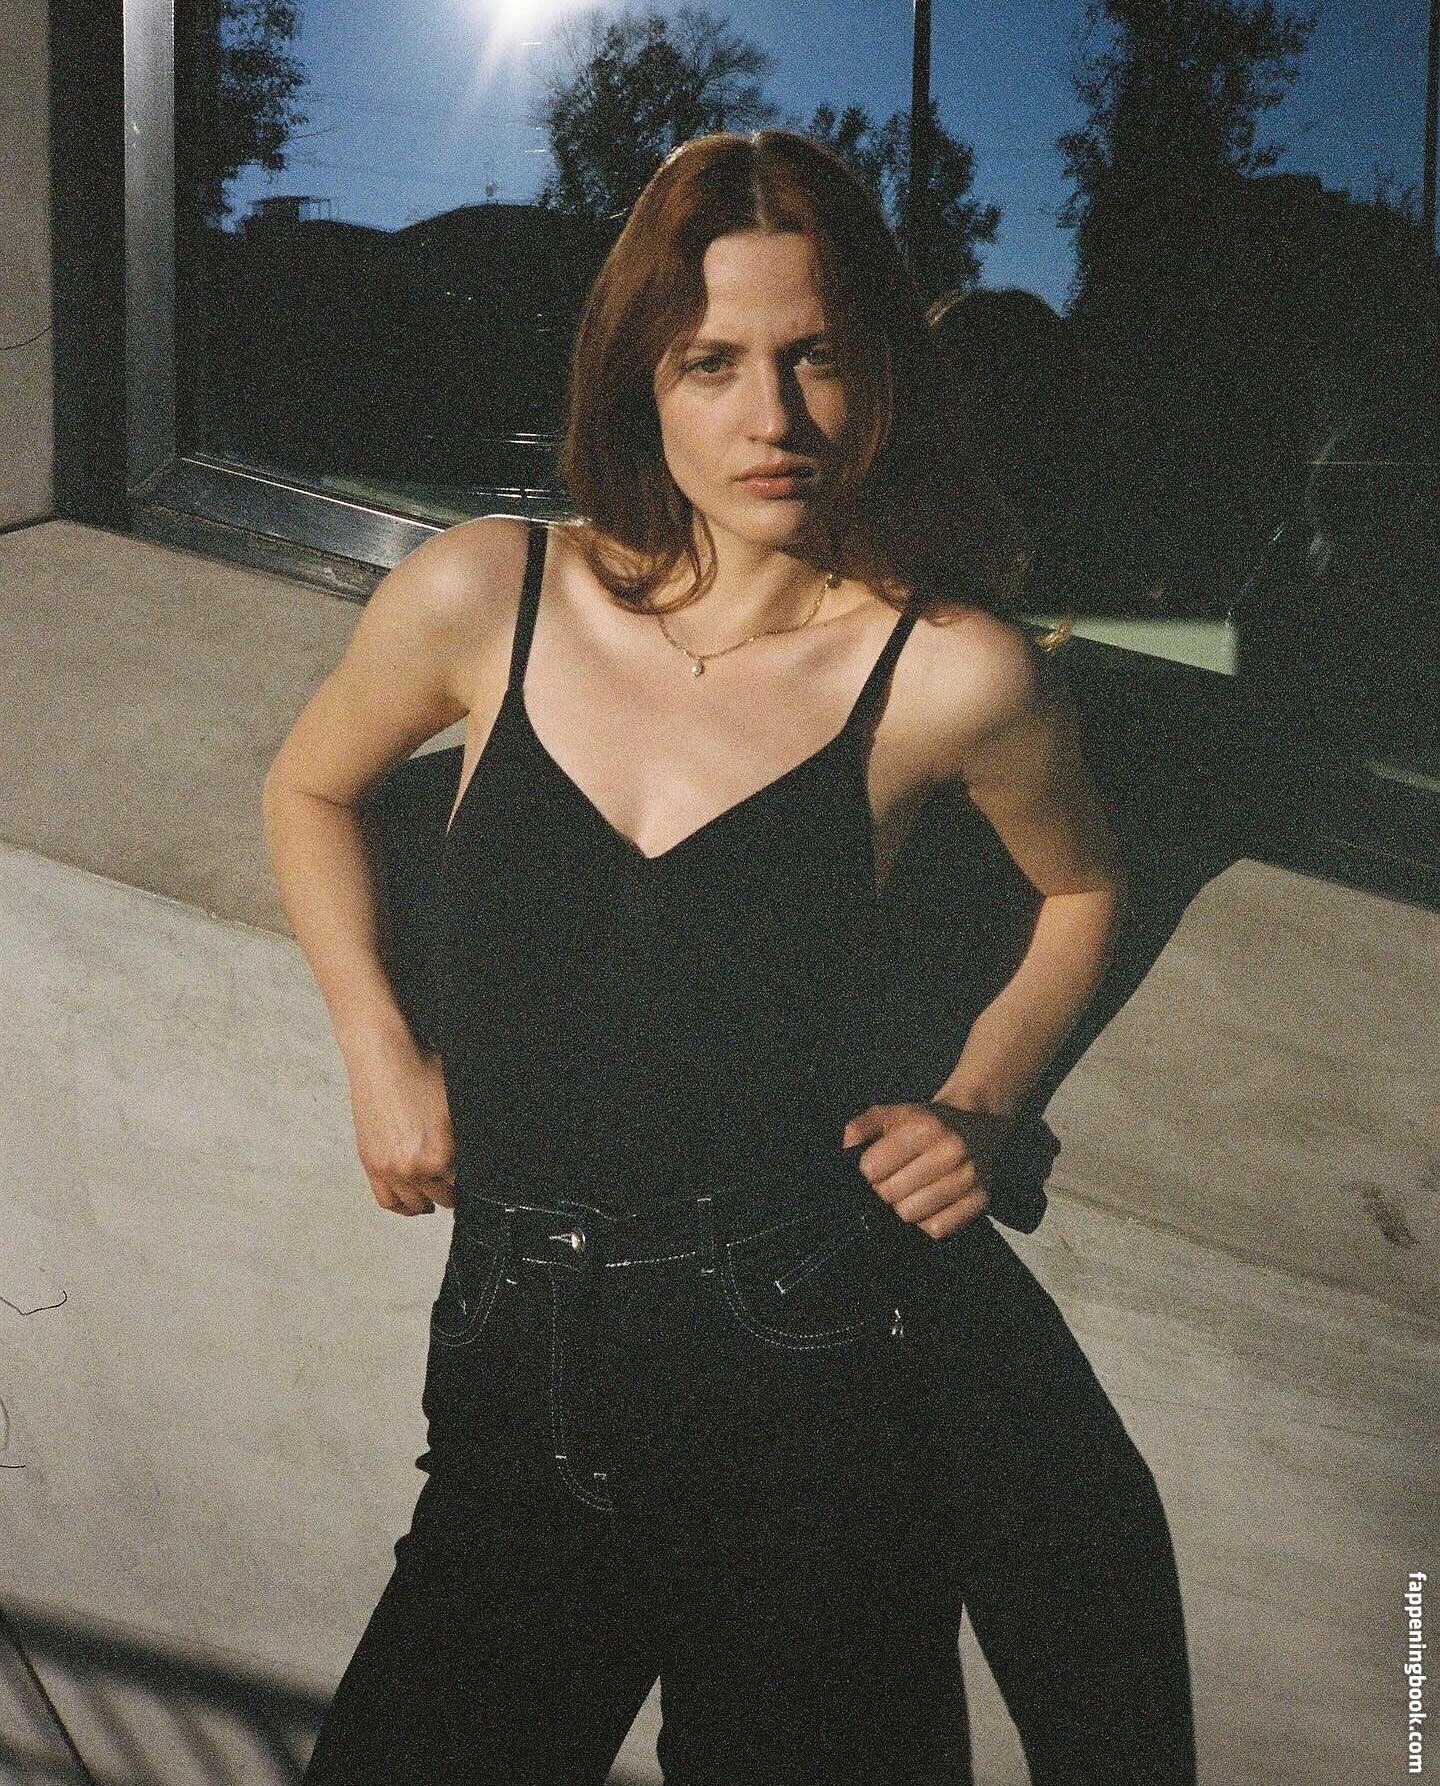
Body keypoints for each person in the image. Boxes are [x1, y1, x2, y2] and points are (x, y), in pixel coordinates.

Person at [263, 130, 1196, 1785]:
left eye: (815, 355)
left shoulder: (952, 672)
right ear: (642, 379)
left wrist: (983, 1102)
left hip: (813, 1397)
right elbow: (309, 787)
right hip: (511, 1379)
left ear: (881, 372)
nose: (773, 418)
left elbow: (1087, 888)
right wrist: (378, 1048)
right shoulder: (491, 591)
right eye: (712, 363)